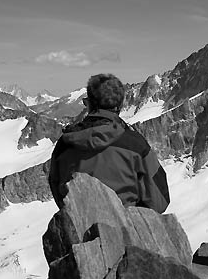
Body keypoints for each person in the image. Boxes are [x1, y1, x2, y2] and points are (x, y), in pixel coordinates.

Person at [48, 73, 170, 213]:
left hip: (79, 225)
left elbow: (56, 187)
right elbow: (159, 200)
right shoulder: (136, 145)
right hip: (127, 227)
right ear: (120, 105)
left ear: (89, 104)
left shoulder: (65, 144)